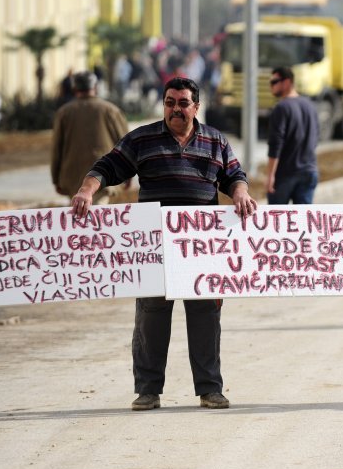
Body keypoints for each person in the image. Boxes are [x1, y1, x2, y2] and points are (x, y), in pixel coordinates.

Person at [70, 76, 257, 411]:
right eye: (170, 102)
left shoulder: (216, 141)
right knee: (151, 319)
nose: (176, 109)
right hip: (154, 249)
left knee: (205, 318)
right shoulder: (143, 139)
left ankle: (210, 389)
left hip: (203, 249)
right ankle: (148, 390)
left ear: (196, 107)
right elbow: (108, 166)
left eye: (183, 103)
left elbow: (234, 177)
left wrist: (241, 193)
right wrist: (87, 189)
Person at [51, 71, 130, 204]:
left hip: (73, 178)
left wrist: (56, 179)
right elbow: (127, 145)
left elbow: (56, 149)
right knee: (99, 217)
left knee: (80, 218)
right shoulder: (111, 110)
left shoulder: (64, 113)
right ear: (96, 87)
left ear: (74, 89)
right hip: (105, 176)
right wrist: (128, 174)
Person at [266, 66, 320, 205]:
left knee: (276, 221)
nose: (271, 86)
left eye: (274, 82)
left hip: (286, 173)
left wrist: (271, 175)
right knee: (303, 222)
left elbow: (276, 144)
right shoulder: (310, 105)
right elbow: (315, 138)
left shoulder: (281, 108)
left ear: (287, 82)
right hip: (309, 171)